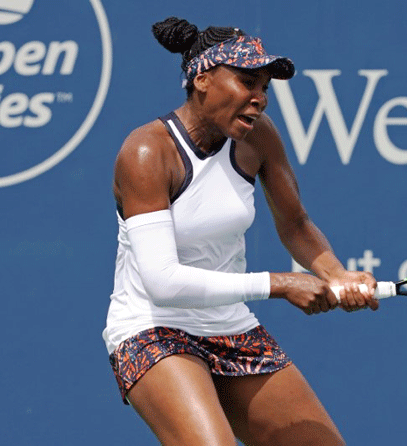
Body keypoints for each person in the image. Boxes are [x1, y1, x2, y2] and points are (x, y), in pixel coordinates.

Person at [102, 16, 378, 446]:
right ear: (202, 79)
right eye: (248, 81)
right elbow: (162, 282)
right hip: (152, 327)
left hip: (229, 326)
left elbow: (296, 224)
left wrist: (336, 274)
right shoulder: (146, 151)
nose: (260, 99)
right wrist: (281, 284)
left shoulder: (258, 138)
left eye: (265, 87)